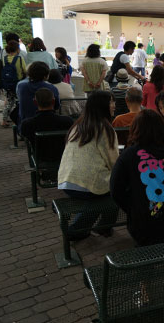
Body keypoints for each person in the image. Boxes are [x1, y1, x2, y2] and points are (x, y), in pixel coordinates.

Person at [110, 109, 164, 246]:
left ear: (135, 129)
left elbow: (115, 190)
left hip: (149, 223)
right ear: (162, 127)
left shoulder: (129, 155)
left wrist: (135, 207)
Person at [58, 91, 119, 240]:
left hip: (66, 181)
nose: (114, 105)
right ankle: (91, 229)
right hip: (88, 184)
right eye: (111, 102)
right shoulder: (105, 128)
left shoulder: (78, 125)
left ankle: (98, 228)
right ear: (102, 106)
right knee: (117, 192)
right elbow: (114, 162)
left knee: (103, 195)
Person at [17, 62, 60, 131]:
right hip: (48, 125)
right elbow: (57, 105)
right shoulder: (52, 88)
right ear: (45, 76)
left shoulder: (22, 86)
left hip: (25, 126)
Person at [1, 41, 27, 127]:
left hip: (7, 84)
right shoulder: (19, 58)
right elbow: (25, 70)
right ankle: (18, 119)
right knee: (18, 103)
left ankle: (4, 121)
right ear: (17, 49)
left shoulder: (4, 59)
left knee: (9, 103)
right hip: (17, 84)